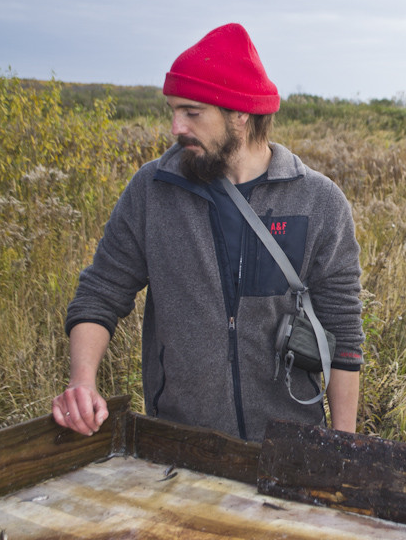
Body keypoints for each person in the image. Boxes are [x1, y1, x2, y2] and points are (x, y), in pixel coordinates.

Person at [52, 23, 365, 442]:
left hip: (288, 445)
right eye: (173, 111)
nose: (176, 128)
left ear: (239, 113)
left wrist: (342, 445)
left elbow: (343, 332)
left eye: (192, 113)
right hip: (180, 444)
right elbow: (102, 291)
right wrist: (82, 382)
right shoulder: (154, 189)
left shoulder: (319, 201)